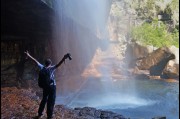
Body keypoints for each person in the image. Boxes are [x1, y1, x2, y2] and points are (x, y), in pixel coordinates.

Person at [24, 51, 71, 119]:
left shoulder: (42, 67)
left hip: (45, 87)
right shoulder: (52, 68)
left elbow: (35, 61)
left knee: (44, 99)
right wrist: (64, 57)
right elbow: (59, 64)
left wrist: (28, 55)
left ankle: (40, 113)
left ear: (45, 63)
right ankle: (49, 116)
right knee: (51, 101)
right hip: (52, 87)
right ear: (50, 63)